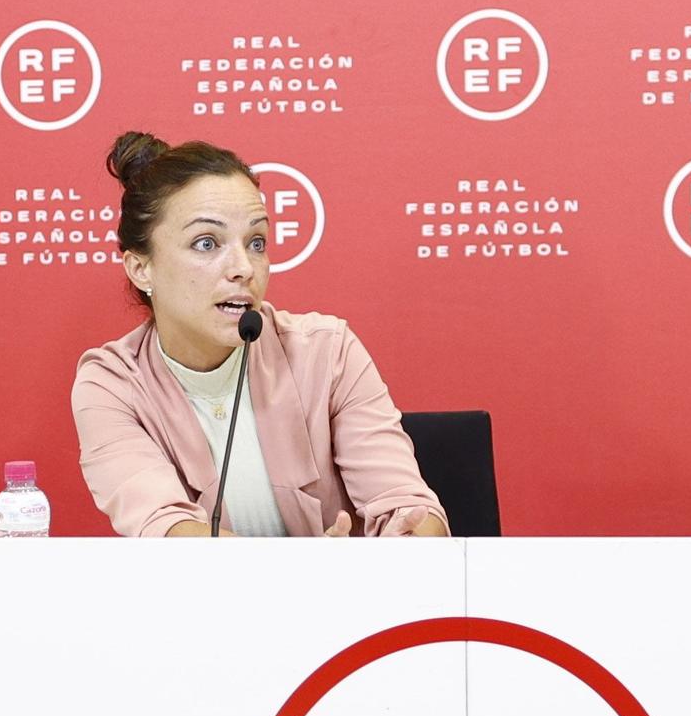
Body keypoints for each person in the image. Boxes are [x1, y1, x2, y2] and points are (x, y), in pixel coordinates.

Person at [72, 132, 447, 538]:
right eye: (206, 243)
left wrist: (410, 543)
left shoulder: (327, 352)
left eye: (256, 242)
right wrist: (302, 574)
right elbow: (171, 533)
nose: (243, 268)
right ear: (141, 268)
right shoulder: (111, 384)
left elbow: (408, 507)